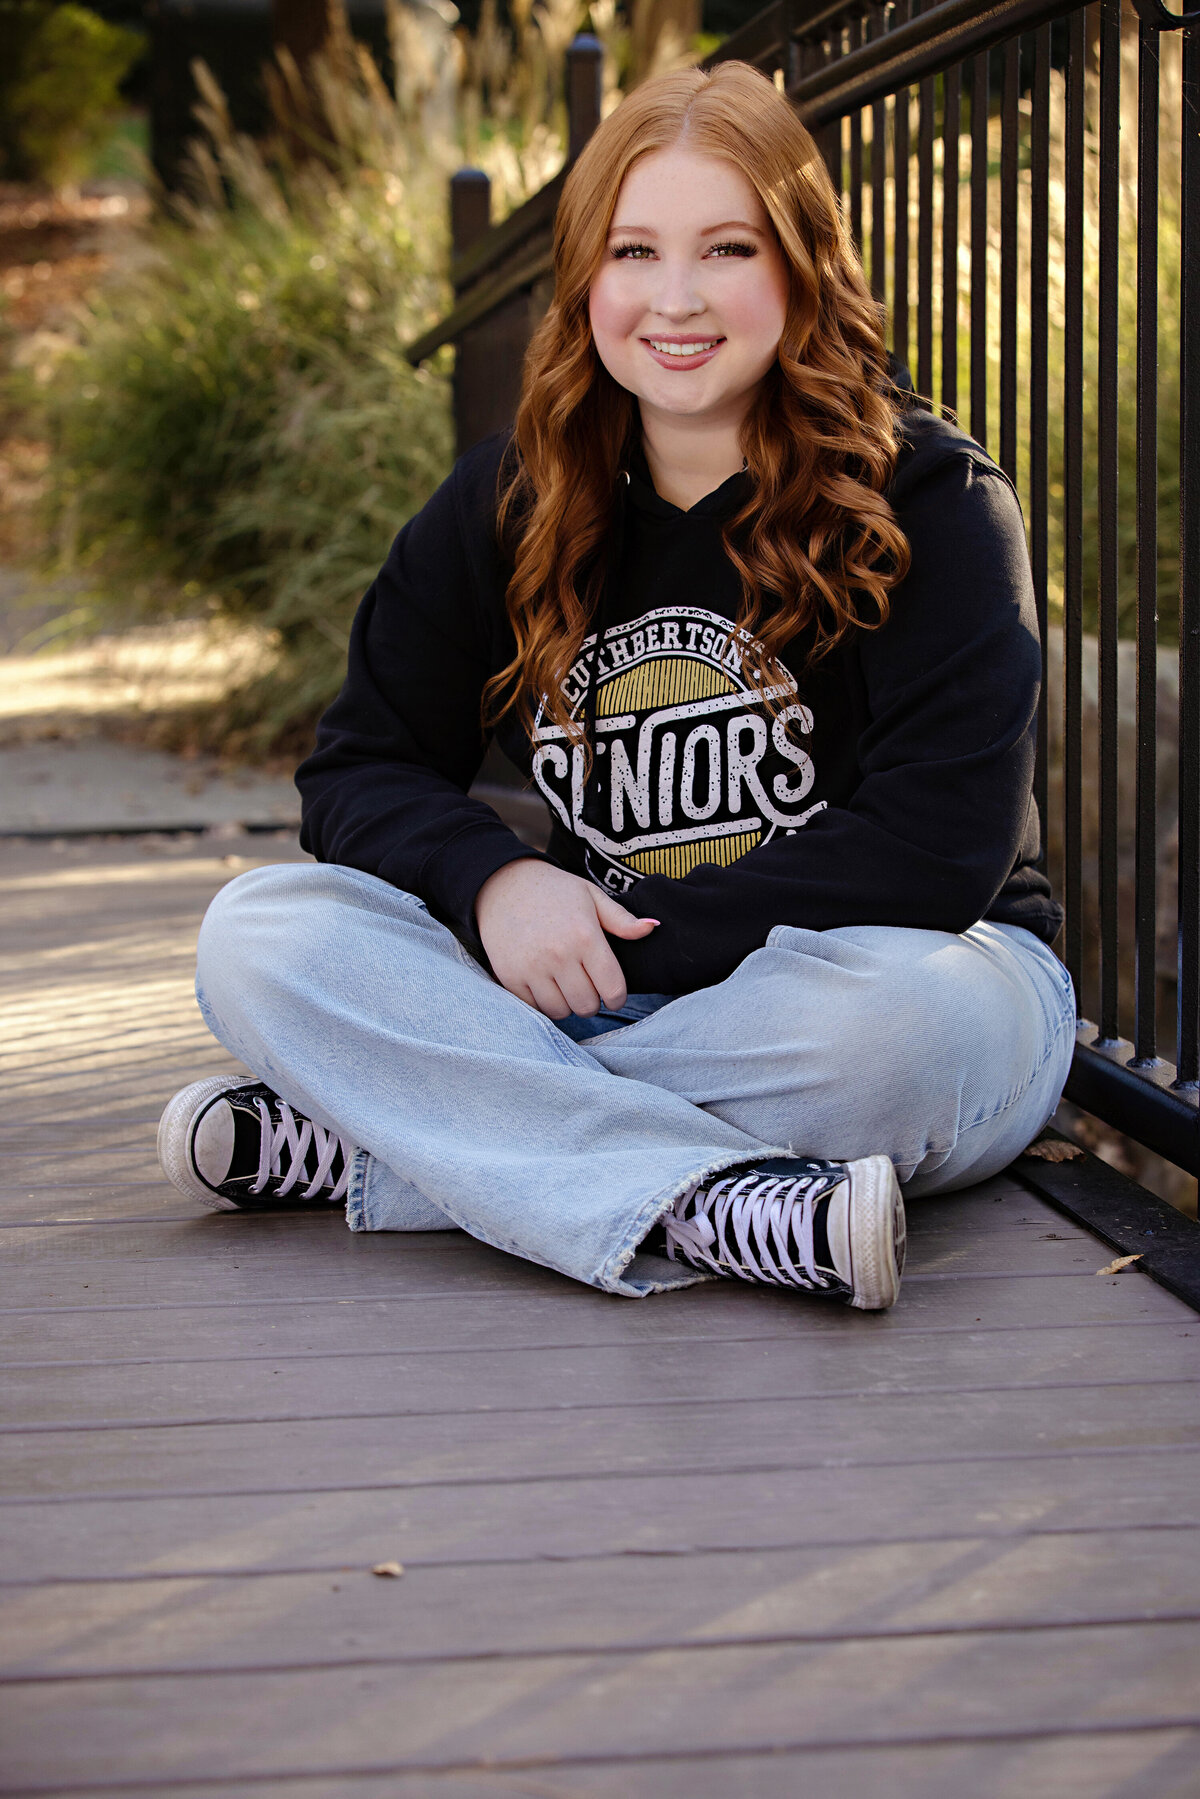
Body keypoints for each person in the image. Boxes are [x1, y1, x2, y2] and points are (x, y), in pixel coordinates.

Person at [156, 61, 1075, 1312]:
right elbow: (357, 768)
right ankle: (717, 1201)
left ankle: (399, 1143)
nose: (677, 299)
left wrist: (617, 956)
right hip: (603, 994)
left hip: (891, 984)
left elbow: (935, 852)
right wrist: (499, 884)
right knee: (258, 932)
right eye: (635, 251)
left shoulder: (932, 502)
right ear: (586, 275)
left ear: (802, 266)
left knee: (899, 1036)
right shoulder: (510, 500)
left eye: (727, 248)